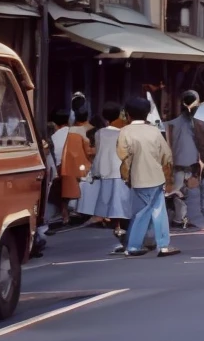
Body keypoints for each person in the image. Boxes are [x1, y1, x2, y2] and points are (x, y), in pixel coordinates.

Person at [118, 94, 178, 256]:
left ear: (128, 114)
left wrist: (126, 177)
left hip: (137, 178)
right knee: (158, 210)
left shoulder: (125, 132)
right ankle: (163, 245)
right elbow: (167, 155)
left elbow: (124, 157)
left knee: (142, 211)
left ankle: (134, 246)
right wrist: (169, 177)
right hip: (156, 177)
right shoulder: (154, 131)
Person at [85, 102, 136, 251]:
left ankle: (119, 233)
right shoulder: (123, 133)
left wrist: (95, 171)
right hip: (121, 172)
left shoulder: (99, 133)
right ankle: (125, 236)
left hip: (106, 171)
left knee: (111, 207)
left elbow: (100, 153)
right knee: (123, 205)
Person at [169, 90, 204, 231]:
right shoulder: (199, 122)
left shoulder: (173, 123)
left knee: (179, 190)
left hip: (177, 161)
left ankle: (179, 218)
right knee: (198, 191)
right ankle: (201, 218)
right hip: (194, 162)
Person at [49, 108, 90, 228]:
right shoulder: (76, 132)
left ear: (54, 123)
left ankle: (64, 213)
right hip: (78, 167)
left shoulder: (54, 137)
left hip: (61, 169)